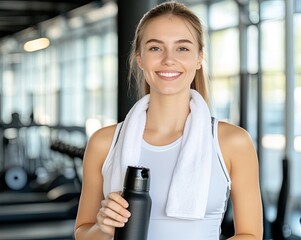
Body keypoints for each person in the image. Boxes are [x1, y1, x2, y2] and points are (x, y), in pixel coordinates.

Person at [74, 1, 263, 239]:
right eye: (155, 48)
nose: (168, 60)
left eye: (182, 48)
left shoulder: (233, 142)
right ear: (140, 58)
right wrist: (102, 228)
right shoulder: (103, 142)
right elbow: (82, 233)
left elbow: (250, 234)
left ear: (198, 58)